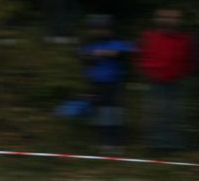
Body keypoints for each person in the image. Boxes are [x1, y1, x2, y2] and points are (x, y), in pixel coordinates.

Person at [137, 9, 195, 152]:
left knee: (174, 113)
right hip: (156, 80)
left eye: (174, 18)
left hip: (175, 81)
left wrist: (182, 73)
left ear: (178, 20)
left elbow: (188, 59)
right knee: (155, 112)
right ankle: (154, 144)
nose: (169, 20)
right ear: (158, 19)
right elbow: (143, 56)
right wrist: (149, 71)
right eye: (165, 17)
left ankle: (173, 143)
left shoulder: (184, 39)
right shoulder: (150, 36)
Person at [79, 15, 134, 154]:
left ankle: (117, 143)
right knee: (101, 113)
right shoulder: (90, 43)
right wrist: (93, 56)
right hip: (96, 83)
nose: (98, 31)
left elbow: (126, 51)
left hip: (114, 84)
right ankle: (104, 142)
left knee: (114, 113)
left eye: (101, 28)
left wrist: (105, 53)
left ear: (109, 29)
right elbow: (84, 57)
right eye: (95, 29)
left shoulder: (118, 41)